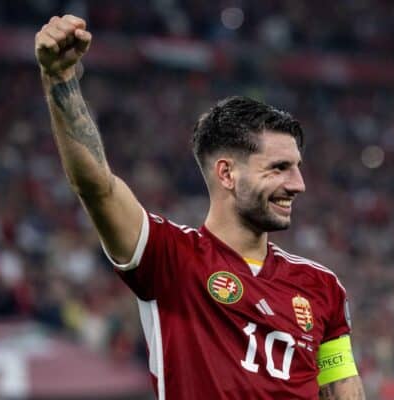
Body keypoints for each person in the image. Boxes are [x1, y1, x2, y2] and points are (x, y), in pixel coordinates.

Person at [35, 14, 366, 400]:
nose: (298, 184)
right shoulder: (169, 259)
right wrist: (60, 80)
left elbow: (342, 387)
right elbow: (96, 187)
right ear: (226, 174)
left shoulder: (322, 287)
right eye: (279, 168)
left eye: (296, 168)